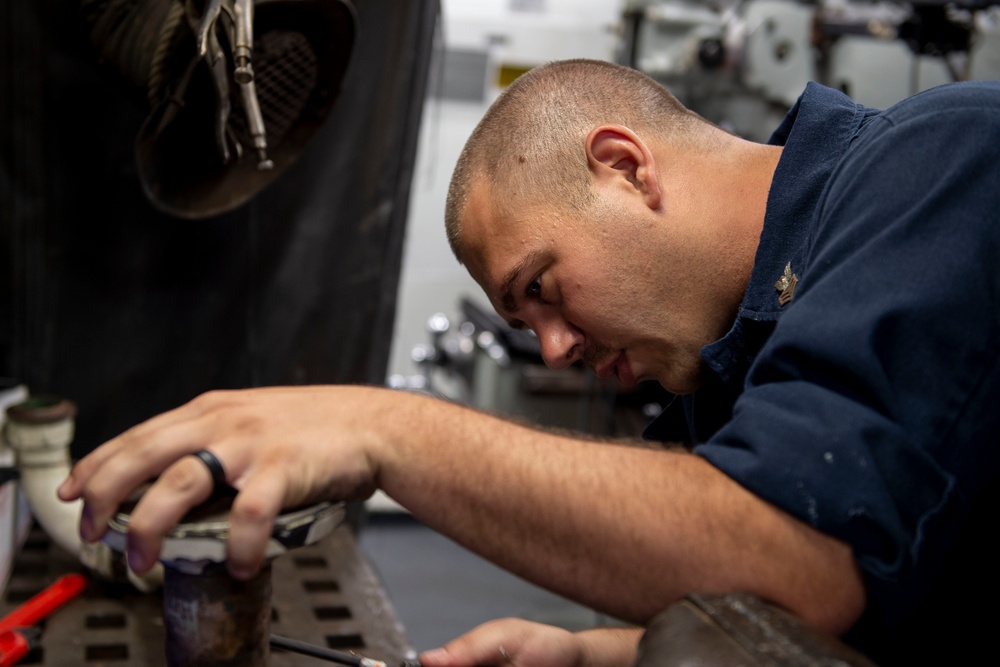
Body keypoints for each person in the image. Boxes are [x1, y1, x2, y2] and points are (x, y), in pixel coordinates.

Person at [57, 59, 1000, 666]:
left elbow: (807, 560)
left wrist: (381, 425)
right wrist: (599, 655)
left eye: (540, 286)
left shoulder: (943, 157)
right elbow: (882, 607)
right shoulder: (726, 367)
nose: (554, 348)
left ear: (625, 168)